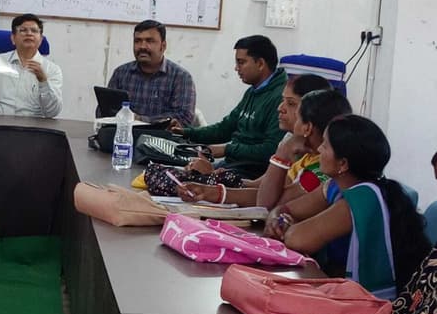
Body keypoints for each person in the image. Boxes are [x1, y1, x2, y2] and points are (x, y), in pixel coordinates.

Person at [264, 114, 431, 299]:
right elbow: (285, 208)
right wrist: (277, 217)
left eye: (325, 145)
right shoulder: (335, 186)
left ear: (342, 164)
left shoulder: (361, 200)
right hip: (333, 279)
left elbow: (297, 239)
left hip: (372, 303)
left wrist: (284, 223)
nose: (319, 148)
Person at [177, 75, 339, 207]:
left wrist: (282, 153)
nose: (280, 108)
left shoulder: (319, 168)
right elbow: (260, 187)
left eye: (291, 104)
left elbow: (268, 202)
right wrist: (213, 180)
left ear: (308, 124)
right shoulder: (300, 151)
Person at [169, 35, 287, 179]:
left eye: (241, 62)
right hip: (233, 164)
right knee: (175, 173)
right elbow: (225, 128)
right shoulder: (253, 91)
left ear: (261, 64)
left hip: (252, 172)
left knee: (182, 180)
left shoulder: (281, 98)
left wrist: (227, 149)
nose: (236, 68)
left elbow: (271, 150)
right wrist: (186, 132)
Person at [0, 13, 62, 118]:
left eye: (34, 31)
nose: (29, 33)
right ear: (13, 38)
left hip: (31, 125)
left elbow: (52, 112)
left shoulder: (52, 69)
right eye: (23, 30)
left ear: (40, 40)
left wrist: (43, 81)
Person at [107, 20, 195, 125]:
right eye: (137, 41)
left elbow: (184, 118)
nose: (142, 46)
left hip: (162, 135)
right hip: (125, 133)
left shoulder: (181, 77)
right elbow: (104, 111)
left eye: (150, 41)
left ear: (163, 46)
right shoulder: (121, 74)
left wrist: (140, 120)